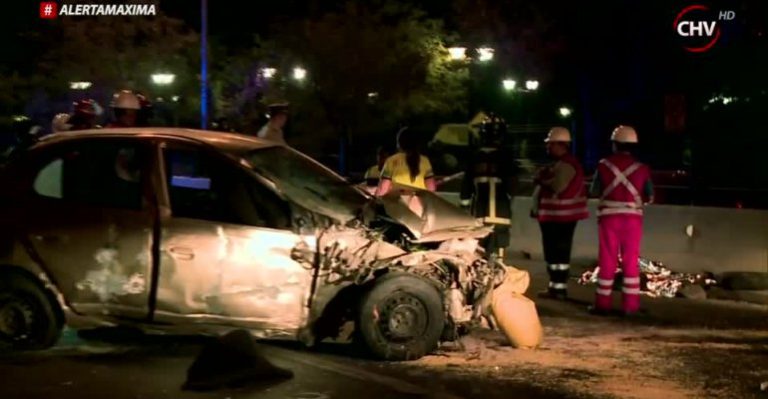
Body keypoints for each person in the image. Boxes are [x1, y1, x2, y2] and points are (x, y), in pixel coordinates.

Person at [589, 125, 653, 316]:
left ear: (615, 144)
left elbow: (593, 191)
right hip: (633, 220)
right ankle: (631, 307)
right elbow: (650, 196)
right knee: (630, 261)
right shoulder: (642, 168)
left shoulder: (603, 165)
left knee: (608, 259)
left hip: (609, 219)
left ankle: (602, 304)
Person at [531, 127, 589, 299]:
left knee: (558, 253)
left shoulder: (566, 165)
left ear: (560, 145)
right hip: (556, 216)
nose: (547, 148)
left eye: (550, 144)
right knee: (554, 254)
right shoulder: (561, 165)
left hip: (560, 217)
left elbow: (558, 187)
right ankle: (555, 288)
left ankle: (559, 288)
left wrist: (541, 179)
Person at [460, 116, 519, 258]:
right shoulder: (506, 157)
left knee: (478, 255)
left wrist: (464, 209)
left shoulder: (474, 157)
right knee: (498, 258)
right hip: (501, 214)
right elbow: (513, 187)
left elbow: (466, 189)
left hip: (479, 214)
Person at [376, 127, 436, 196]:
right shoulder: (425, 161)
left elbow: (383, 189)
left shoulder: (391, 161)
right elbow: (431, 188)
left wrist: (375, 201)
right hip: (420, 204)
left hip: (398, 204)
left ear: (399, 143)